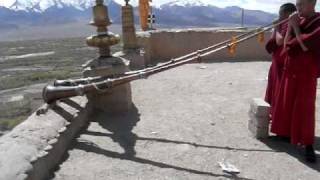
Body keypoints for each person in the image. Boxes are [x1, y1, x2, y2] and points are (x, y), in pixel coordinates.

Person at [271, 0, 320, 163]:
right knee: (287, 102)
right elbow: (286, 44)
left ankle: (308, 145)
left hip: (306, 72)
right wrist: (291, 26)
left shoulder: (318, 22)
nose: (298, 9)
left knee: (304, 107)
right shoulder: (298, 20)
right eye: (297, 5)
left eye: (301, 5)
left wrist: (295, 27)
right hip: (290, 68)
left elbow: (306, 46)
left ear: (313, 4)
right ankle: (285, 134)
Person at [265, 3, 297, 115]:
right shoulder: (283, 23)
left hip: (283, 60)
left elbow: (280, 41)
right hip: (276, 59)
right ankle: (271, 111)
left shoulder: (289, 23)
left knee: (279, 87)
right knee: (273, 85)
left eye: (281, 13)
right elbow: (273, 39)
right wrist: (276, 28)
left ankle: (277, 113)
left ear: (288, 13)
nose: (279, 16)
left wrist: (276, 27)